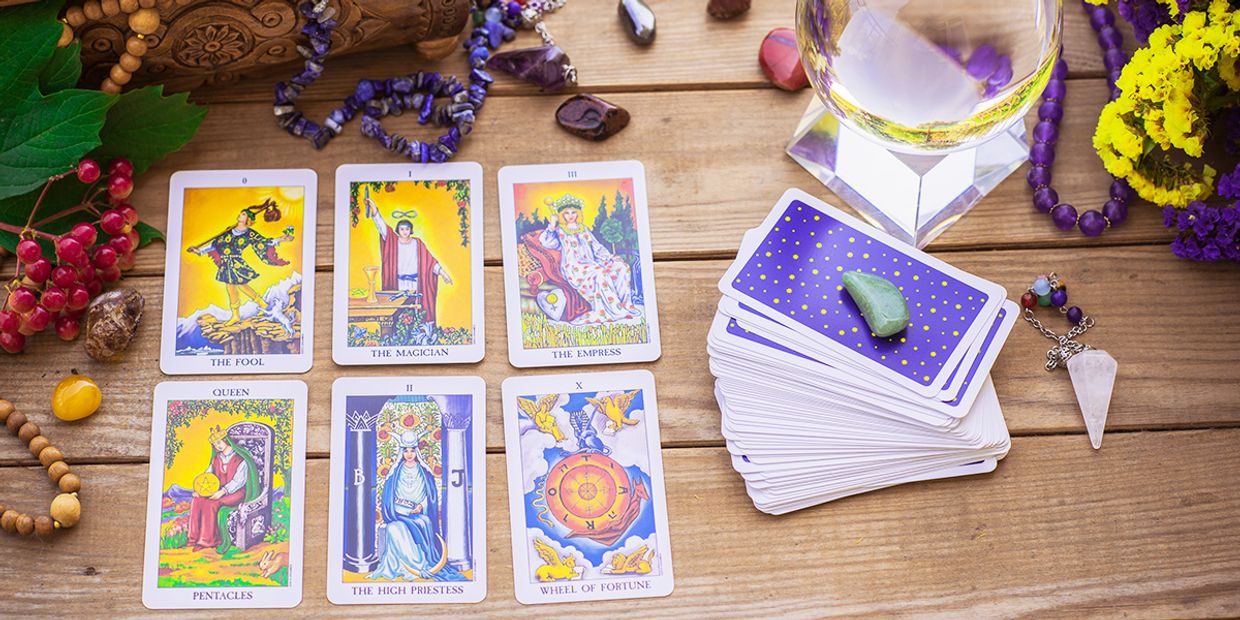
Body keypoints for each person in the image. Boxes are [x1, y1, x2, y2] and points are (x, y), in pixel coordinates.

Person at [369, 430, 462, 581]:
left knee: (423, 522)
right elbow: (389, 498)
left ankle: (421, 564)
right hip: (398, 513)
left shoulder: (424, 472)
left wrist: (421, 506)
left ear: (417, 451)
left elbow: (430, 496)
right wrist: (401, 510)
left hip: (419, 513)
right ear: (402, 452)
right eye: (406, 451)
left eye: (412, 450)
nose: (409, 454)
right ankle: (414, 566)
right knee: (394, 528)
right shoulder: (395, 472)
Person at [537, 194, 642, 325]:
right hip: (575, 268)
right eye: (567, 213)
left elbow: (596, 247)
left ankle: (625, 305)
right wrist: (551, 227)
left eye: (573, 212)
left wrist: (610, 258)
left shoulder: (584, 229)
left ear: (578, 213)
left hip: (592, 263)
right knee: (599, 273)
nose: (570, 216)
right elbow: (546, 243)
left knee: (622, 267)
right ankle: (612, 311)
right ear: (562, 215)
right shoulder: (559, 231)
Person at [187, 198, 294, 324]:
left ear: (248, 219)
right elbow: (214, 245)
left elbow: (264, 242)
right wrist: (198, 251)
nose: (240, 215)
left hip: (236, 263)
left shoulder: (249, 234)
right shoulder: (228, 230)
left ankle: (238, 315)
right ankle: (261, 305)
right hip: (226, 263)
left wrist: (281, 239)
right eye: (241, 213)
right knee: (239, 286)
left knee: (234, 287)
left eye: (243, 214)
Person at [366, 196, 453, 324]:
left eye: (407, 229)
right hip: (398, 284)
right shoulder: (392, 241)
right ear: (398, 230)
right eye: (402, 229)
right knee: (400, 313)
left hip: (416, 284)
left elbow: (430, 262)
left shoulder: (418, 243)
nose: (405, 231)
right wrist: (374, 209)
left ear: (410, 230)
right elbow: (382, 227)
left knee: (415, 313)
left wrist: (444, 274)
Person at [187, 425, 261, 555]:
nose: (217, 446)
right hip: (218, 490)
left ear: (226, 441)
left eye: (219, 443)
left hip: (235, 493)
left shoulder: (240, 460)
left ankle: (208, 541)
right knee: (197, 500)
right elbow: (208, 475)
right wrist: (200, 490)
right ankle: (193, 538)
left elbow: (238, 482)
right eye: (215, 444)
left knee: (213, 503)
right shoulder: (216, 459)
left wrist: (222, 492)